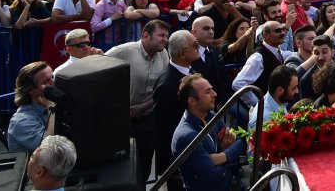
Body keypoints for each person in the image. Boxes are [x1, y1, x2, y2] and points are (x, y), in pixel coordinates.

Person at [105, 18, 171, 183]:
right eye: (161, 35)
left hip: (148, 121)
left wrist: (144, 106)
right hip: (121, 122)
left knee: (144, 166)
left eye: (167, 36)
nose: (165, 39)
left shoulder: (163, 54)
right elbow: (100, 69)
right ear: (146, 36)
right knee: (122, 169)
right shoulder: (123, 51)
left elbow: (162, 88)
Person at [171, 74, 246, 191]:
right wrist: (229, 155)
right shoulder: (186, 136)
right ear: (192, 101)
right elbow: (213, 176)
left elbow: (240, 143)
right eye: (208, 92)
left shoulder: (211, 117)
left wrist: (220, 156)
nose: (214, 94)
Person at [154, 30, 199, 191]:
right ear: (182, 53)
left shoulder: (190, 72)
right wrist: (172, 169)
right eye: (195, 45)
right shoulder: (167, 86)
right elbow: (165, 130)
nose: (198, 47)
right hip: (179, 163)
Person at [232, 20, 290, 107]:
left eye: (283, 30)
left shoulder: (279, 52)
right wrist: (259, 104)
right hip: (264, 113)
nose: (282, 33)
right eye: (278, 31)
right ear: (266, 35)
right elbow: (238, 84)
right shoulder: (258, 58)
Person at [8, 62, 56, 154]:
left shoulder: (54, 103)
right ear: (30, 90)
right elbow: (49, 150)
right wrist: (51, 108)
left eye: (52, 77)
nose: (53, 83)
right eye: (45, 82)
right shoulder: (21, 121)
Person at [248, 64, 298, 131]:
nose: (297, 91)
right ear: (280, 90)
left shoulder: (280, 102)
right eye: (294, 88)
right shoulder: (262, 119)